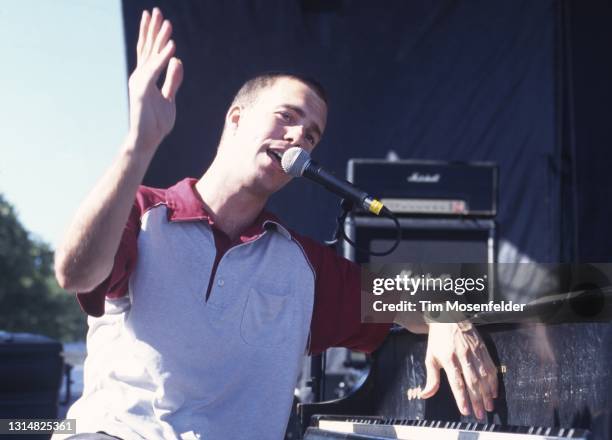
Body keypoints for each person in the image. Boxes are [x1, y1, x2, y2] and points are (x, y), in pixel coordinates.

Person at [54, 8, 498, 440]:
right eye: (287, 117)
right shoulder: (143, 211)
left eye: (311, 136)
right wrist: (139, 145)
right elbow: (75, 273)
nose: (298, 139)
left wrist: (447, 317)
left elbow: (398, 298)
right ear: (236, 118)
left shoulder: (303, 266)